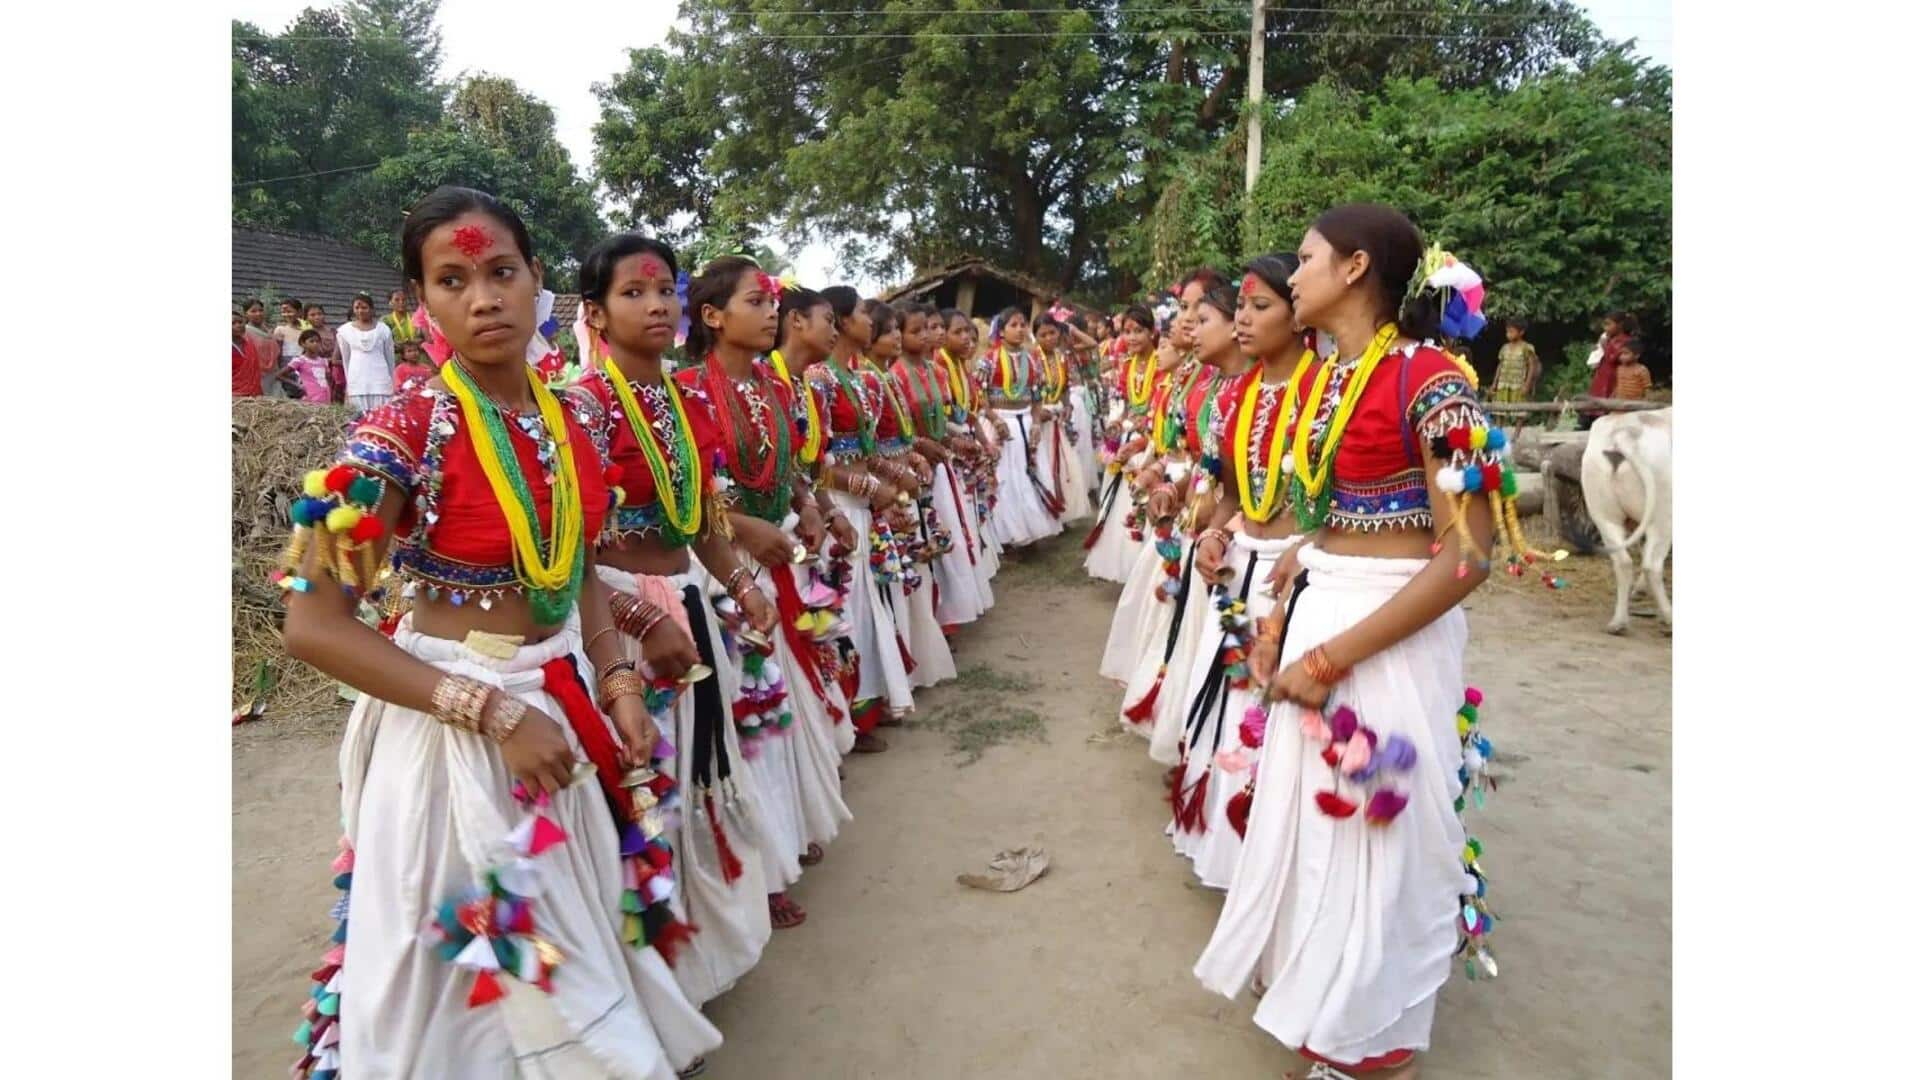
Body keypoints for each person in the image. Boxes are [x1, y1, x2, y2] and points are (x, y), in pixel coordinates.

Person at [277, 185, 719, 1079]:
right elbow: (312, 623)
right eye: (452, 279)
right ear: (417, 303)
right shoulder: (395, 434)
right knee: (459, 982)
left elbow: (574, 572)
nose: (483, 298)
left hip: (562, 707)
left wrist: (619, 676)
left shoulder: (576, 416)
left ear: (537, 282)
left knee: (565, 929)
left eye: (500, 272)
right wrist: (493, 712)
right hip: (457, 734)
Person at [1194, 203, 1504, 1080]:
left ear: (1357, 267)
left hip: (1388, 634)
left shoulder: (1433, 379)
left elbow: (1469, 556)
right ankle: (1326, 1001)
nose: (1294, 277)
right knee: (1322, 829)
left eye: (1306, 259)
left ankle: (1370, 1040)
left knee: (1383, 832)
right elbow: (1329, 522)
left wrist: (1332, 656)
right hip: (1325, 611)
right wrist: (1284, 603)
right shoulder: (1328, 381)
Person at [564, 235, 789, 1022]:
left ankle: (701, 954)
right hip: (621, 619)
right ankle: (654, 978)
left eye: (665, 290)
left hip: (686, 600)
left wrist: (739, 583)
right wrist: (638, 618)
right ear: (594, 313)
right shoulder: (580, 408)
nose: (657, 305)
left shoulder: (687, 399)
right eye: (634, 293)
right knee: (645, 789)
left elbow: (701, 518)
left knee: (698, 773)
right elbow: (570, 559)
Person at [679, 256, 856, 934]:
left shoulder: (780, 390)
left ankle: (786, 840)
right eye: (757, 301)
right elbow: (684, 501)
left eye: (773, 302)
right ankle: (763, 865)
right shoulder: (686, 393)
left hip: (777, 565)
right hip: (720, 574)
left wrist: (807, 503)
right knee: (744, 721)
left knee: (782, 714)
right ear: (714, 316)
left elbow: (792, 470)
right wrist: (742, 527)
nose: (771, 313)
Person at [1166, 253, 1312, 887]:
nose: (1243, 321)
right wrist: (1217, 533)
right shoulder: (1244, 393)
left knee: (1279, 722)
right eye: (1242, 309)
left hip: (1297, 579)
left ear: (1299, 315)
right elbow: (1231, 491)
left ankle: (1271, 866)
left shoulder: (1327, 389)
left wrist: (1305, 548)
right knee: (1234, 708)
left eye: (1260, 308)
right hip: (1241, 572)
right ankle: (1228, 850)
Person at [807, 286, 915, 748]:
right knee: (844, 612)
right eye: (854, 316)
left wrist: (896, 478)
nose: (867, 322)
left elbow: (865, 451)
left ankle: (869, 705)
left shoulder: (857, 380)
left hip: (863, 507)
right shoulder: (818, 380)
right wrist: (876, 489)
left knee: (867, 609)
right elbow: (817, 466)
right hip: (838, 509)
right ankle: (849, 716)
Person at [977, 307, 1065, 548]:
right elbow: (980, 394)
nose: (1020, 329)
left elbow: (1038, 396)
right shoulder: (989, 359)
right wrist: (994, 419)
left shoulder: (1031, 360)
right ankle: (1007, 536)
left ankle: (1030, 531)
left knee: (1029, 475)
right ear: (1001, 331)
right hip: (1001, 424)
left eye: (1023, 324)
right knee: (1005, 479)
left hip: (1025, 422)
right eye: (1014, 325)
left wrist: (1036, 423)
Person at [1082, 305, 1158, 583]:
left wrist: (1143, 425)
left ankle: (1140, 570)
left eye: (1139, 330)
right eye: (1127, 332)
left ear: (1152, 332)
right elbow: (1126, 404)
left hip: (1150, 443)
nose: (1133, 337)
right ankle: (1123, 566)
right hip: (1128, 436)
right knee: (1119, 503)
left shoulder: (1162, 364)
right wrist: (1119, 422)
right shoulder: (1126, 366)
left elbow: (1160, 407)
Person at [334, 293, 397, 414]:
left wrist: (391, 382)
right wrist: (350, 384)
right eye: (357, 308)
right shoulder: (345, 331)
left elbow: (390, 358)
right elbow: (346, 359)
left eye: (364, 307)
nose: (360, 311)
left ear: (372, 309)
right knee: (359, 418)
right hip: (357, 382)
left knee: (382, 417)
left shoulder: (383, 329)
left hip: (381, 382)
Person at [1491, 318, 1539, 422]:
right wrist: (1495, 383)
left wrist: (1527, 384)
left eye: (1511, 332)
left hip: (1518, 382)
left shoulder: (1527, 348)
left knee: (1519, 408)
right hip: (1503, 382)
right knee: (1500, 407)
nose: (1508, 334)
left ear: (1521, 332)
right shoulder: (1504, 348)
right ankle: (1499, 430)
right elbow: (1500, 365)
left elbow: (1532, 366)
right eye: (1507, 331)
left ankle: (1516, 434)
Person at [289, 329, 332, 403]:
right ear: (303, 343)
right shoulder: (300, 361)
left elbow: (328, 379)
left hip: (325, 396)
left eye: (318, 341)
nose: (315, 344)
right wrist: (298, 385)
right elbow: (280, 375)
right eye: (311, 341)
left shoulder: (323, 361)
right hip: (310, 397)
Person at [1612, 337, 1652, 402]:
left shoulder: (1642, 370)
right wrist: (1612, 398)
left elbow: (1647, 388)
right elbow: (1617, 386)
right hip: (1619, 403)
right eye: (1621, 353)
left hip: (1634, 404)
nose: (1622, 356)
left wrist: (1646, 402)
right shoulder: (1619, 368)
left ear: (1636, 356)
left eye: (1626, 353)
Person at [232, 311, 262, 398]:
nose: (238, 325)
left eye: (240, 322)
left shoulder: (250, 345)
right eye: (233, 323)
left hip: (253, 394)